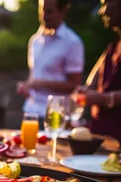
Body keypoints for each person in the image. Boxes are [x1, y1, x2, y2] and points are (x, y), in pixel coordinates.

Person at [17, 0, 84, 128]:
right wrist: (26, 86)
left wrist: (42, 84)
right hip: (30, 112)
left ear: (62, 11)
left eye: (49, 11)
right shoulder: (34, 40)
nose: (44, 15)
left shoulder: (73, 42)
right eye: (41, 10)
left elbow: (75, 85)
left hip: (55, 115)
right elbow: (35, 75)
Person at [73, 0, 121, 145]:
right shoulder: (112, 47)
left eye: (106, 2)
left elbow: (99, 96)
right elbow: (90, 84)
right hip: (100, 139)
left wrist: (104, 99)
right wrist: (83, 93)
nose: (102, 11)